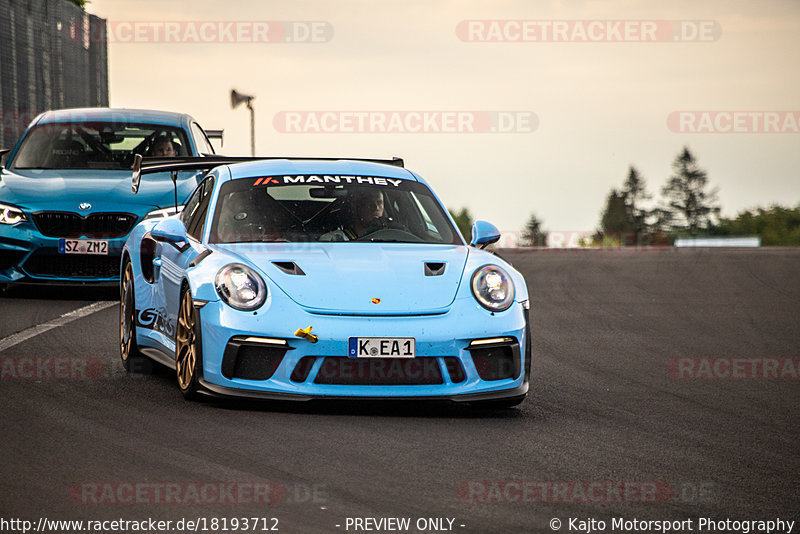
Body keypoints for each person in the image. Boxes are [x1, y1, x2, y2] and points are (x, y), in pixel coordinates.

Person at [320, 189, 386, 241]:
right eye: (370, 203)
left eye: (379, 202)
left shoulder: (390, 237)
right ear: (356, 207)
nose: (376, 208)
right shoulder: (332, 240)